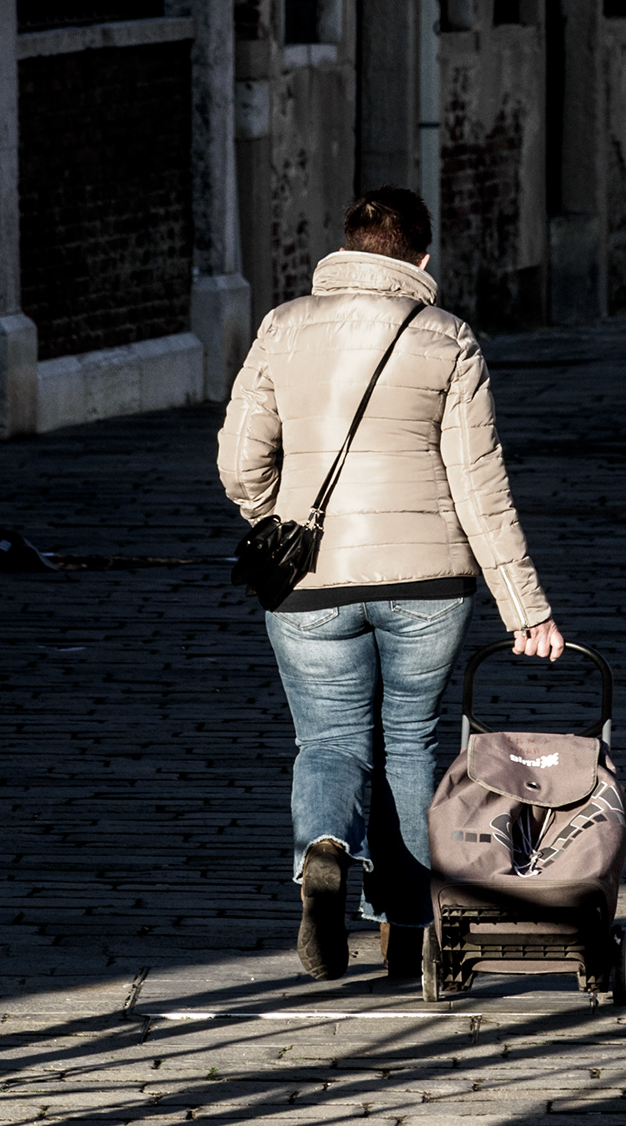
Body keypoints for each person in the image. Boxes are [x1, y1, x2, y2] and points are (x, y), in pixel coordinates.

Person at [217, 184, 563, 985]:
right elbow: (481, 486)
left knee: (330, 740)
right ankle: (407, 926)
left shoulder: (283, 326)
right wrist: (527, 609)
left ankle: (325, 852)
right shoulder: (447, 337)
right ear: (423, 257)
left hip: (309, 579)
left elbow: (239, 462)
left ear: (343, 248)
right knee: (409, 743)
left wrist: (280, 516)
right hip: (428, 580)